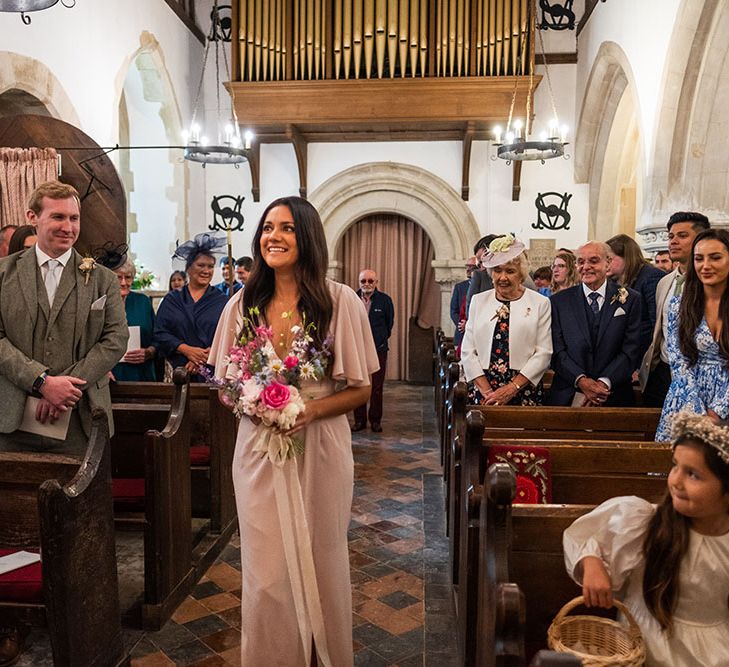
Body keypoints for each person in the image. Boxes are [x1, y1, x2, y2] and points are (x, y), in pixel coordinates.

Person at [208, 196, 379, 666]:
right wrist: (251, 402)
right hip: (258, 448)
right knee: (266, 568)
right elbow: (224, 382)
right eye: (267, 228)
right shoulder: (242, 304)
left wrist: (310, 410)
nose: (273, 237)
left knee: (322, 555)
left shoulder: (339, 301)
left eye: (285, 228)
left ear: (307, 237)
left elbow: (361, 388)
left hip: (320, 444)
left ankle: (322, 656)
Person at [563, 411, 729, 666]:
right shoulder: (644, 523)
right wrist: (592, 564)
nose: (676, 481)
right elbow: (587, 538)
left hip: (714, 652)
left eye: (693, 474)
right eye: (675, 466)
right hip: (646, 647)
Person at [0, 180, 127, 457]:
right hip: (11, 419)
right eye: (58, 216)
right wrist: (42, 382)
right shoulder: (3, 274)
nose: (68, 227)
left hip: (81, 417)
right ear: (32, 217)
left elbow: (116, 339)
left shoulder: (102, 279)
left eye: (74, 218)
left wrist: (63, 388)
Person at [461, 235, 552, 406]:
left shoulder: (540, 303)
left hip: (523, 388)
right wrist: (487, 392)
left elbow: (544, 352)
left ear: (521, 275)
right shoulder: (479, 301)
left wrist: (511, 388)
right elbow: (468, 350)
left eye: (510, 271)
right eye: (497, 270)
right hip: (483, 389)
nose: (503, 277)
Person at [655, 229, 729, 440]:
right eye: (699, 259)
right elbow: (679, 363)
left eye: (715, 257)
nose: (705, 266)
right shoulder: (680, 306)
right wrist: (699, 412)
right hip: (687, 397)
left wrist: (718, 411)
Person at [549, 241, 642, 407]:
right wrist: (582, 381)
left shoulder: (630, 299)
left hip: (614, 394)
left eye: (593, 261)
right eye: (581, 262)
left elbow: (631, 349)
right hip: (569, 392)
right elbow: (557, 350)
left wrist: (604, 383)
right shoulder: (559, 302)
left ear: (608, 263)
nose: (586, 267)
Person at [640, 212, 711, 408]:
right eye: (671, 236)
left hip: (699, 376)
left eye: (682, 235)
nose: (673, 241)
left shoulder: (712, 283)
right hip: (663, 371)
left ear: (701, 239)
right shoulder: (664, 282)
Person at [154, 233, 228, 382]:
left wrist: (201, 358)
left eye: (210, 266)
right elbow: (160, 333)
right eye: (201, 265)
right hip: (178, 371)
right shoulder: (172, 299)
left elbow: (227, 335)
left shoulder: (222, 301)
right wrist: (186, 350)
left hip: (210, 371)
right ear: (188, 268)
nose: (206, 271)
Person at [606, 233, 665, 359]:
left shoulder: (650, 277)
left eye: (609, 259)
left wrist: (643, 364)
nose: (605, 264)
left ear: (626, 257)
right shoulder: (614, 281)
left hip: (644, 356)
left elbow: (656, 326)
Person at [352, 269, 394, 433]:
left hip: (379, 349)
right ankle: (359, 421)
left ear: (376, 283)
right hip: (356, 349)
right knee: (358, 384)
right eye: (363, 281)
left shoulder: (385, 301)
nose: (367, 284)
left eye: (370, 281)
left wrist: (380, 338)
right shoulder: (352, 299)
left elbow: (389, 324)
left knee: (377, 387)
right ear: (359, 282)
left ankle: (375, 420)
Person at [111, 258, 157, 381]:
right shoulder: (100, 303)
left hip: (142, 373)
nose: (123, 282)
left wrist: (149, 352)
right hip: (110, 375)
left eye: (128, 277)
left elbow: (158, 337)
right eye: (118, 277)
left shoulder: (143, 302)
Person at [449, 257, 476, 348]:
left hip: (476, 334)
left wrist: (468, 325)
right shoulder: (459, 287)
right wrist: (461, 325)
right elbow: (453, 310)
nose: (468, 269)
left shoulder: (484, 286)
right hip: (461, 334)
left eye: (471, 267)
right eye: (467, 266)